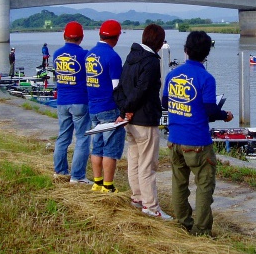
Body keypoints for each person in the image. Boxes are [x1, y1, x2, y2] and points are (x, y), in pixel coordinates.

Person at [162, 31, 234, 236]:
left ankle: (183, 222)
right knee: (204, 186)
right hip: (197, 142)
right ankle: (201, 230)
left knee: (179, 184)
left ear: (185, 50)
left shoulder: (172, 75)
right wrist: (224, 115)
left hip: (174, 139)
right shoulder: (206, 78)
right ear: (206, 54)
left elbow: (165, 104)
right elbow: (210, 110)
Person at [113, 24, 171, 219]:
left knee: (135, 161)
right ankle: (151, 206)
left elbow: (120, 88)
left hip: (130, 121)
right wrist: (128, 109)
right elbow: (143, 90)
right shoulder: (152, 62)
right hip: (145, 119)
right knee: (148, 164)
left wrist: (124, 110)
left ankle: (137, 197)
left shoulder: (131, 57)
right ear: (159, 42)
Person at [86, 20, 125, 193]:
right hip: (109, 107)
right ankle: (108, 186)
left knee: (97, 145)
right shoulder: (113, 57)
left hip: (93, 107)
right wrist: (123, 110)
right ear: (116, 37)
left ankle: (97, 182)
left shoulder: (90, 55)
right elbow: (117, 87)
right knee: (110, 148)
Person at [53, 22, 93, 185]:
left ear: (64, 36)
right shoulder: (85, 55)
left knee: (63, 137)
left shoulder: (56, 54)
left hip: (62, 100)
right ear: (81, 37)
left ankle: (60, 171)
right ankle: (77, 176)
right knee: (82, 138)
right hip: (80, 100)